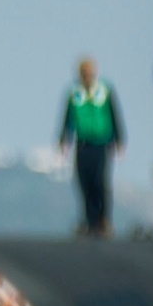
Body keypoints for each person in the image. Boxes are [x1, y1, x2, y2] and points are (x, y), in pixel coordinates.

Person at [60, 57, 124, 237]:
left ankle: (104, 219)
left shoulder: (104, 91)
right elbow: (67, 118)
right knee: (84, 182)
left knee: (100, 182)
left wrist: (119, 139)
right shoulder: (74, 93)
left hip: (101, 143)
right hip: (82, 144)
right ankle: (89, 219)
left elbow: (114, 114)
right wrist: (64, 140)